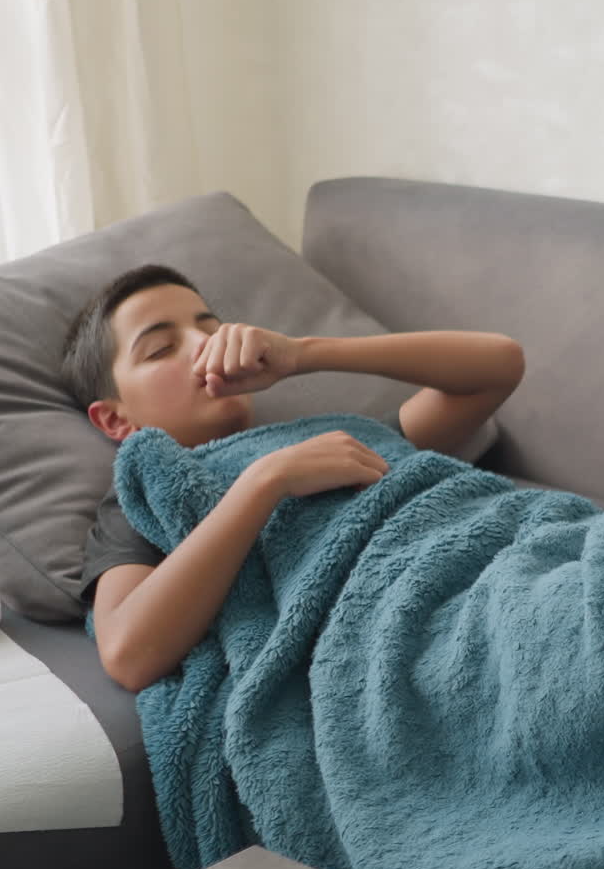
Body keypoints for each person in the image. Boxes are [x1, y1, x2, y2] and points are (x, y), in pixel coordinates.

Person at [61, 263, 524, 693]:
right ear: (116, 421)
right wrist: (267, 481)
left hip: (515, 560)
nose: (205, 345)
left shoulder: (337, 439)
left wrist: (303, 353)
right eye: (162, 348)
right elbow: (127, 654)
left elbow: (500, 365)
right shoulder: (142, 492)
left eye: (211, 329)